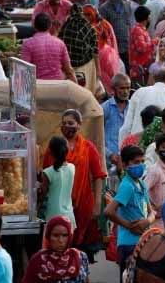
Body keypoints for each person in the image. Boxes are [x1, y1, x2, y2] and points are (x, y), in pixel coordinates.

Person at [42, 110, 107, 262]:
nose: (66, 126)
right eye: (63, 123)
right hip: (59, 204)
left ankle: (78, 273)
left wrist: (97, 204)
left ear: (79, 124)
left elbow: (98, 176)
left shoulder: (88, 147)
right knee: (59, 243)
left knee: (81, 249)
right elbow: (45, 176)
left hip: (84, 203)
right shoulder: (54, 147)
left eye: (70, 123)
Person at [104, 145, 155, 278]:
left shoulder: (141, 184)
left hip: (142, 241)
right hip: (129, 244)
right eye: (136, 162)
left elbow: (151, 212)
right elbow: (109, 211)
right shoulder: (127, 186)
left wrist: (147, 221)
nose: (141, 165)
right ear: (126, 165)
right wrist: (129, 226)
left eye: (142, 162)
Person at [120, 67, 165, 139]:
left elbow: (126, 127)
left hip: (138, 144)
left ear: (155, 79)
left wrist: (124, 146)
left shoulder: (139, 92)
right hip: (162, 145)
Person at [23, 216, 90, 283]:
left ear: (70, 236)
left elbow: (86, 280)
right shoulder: (38, 260)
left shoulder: (80, 256)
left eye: (65, 235)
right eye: (55, 235)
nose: (60, 240)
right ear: (48, 236)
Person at [21, 13, 77, 82]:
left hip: (38, 86)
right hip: (58, 85)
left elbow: (24, 70)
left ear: (34, 26)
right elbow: (69, 70)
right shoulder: (60, 43)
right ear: (50, 26)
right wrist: (77, 87)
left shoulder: (27, 44)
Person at [39, 136, 76, 226]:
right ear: (67, 150)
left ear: (50, 152)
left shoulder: (48, 172)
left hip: (53, 215)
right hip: (69, 216)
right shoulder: (72, 168)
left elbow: (42, 196)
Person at [102, 73, 131, 163]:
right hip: (109, 160)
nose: (125, 91)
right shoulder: (105, 108)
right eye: (122, 88)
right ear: (113, 89)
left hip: (128, 159)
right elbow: (97, 137)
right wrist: (109, 154)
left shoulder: (133, 107)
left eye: (128, 88)